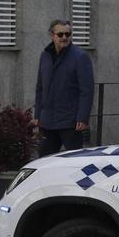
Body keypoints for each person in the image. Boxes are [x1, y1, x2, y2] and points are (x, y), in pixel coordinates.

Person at [34, 19, 95, 156]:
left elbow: (87, 90)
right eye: (60, 34)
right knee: (44, 160)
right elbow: (40, 88)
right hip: (47, 121)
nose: (65, 38)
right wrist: (38, 114)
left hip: (70, 122)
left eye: (68, 34)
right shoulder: (45, 56)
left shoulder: (80, 57)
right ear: (52, 35)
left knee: (75, 161)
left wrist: (83, 117)